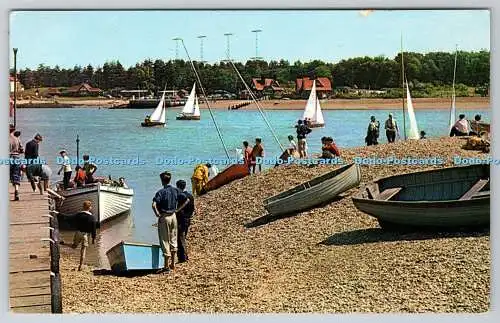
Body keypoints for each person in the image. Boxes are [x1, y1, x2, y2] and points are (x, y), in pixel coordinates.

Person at [152, 172, 179, 272]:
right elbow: (183, 199)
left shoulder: (160, 192)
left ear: (162, 180)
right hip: (173, 216)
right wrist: (177, 209)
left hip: (165, 216)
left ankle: (166, 266)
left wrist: (157, 214)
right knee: (173, 238)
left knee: (164, 240)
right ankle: (173, 263)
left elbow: (154, 205)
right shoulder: (175, 190)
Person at [70, 200, 96, 271]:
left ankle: (64, 244)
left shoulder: (78, 214)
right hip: (85, 235)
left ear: (83, 207)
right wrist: (93, 238)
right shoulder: (92, 217)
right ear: (90, 208)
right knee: (83, 250)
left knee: (74, 246)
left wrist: (59, 214)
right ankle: (80, 266)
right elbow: (94, 229)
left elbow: (69, 217)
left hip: (78, 232)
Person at [175, 180, 195, 263]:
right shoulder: (190, 196)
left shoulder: (180, 196)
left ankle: (183, 257)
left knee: (180, 238)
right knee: (183, 237)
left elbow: (179, 208)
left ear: (177, 187)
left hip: (181, 219)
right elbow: (193, 208)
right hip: (188, 218)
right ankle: (184, 256)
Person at [9, 129, 23, 200]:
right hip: (17, 158)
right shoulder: (17, 139)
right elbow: (22, 150)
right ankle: (16, 191)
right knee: (16, 175)